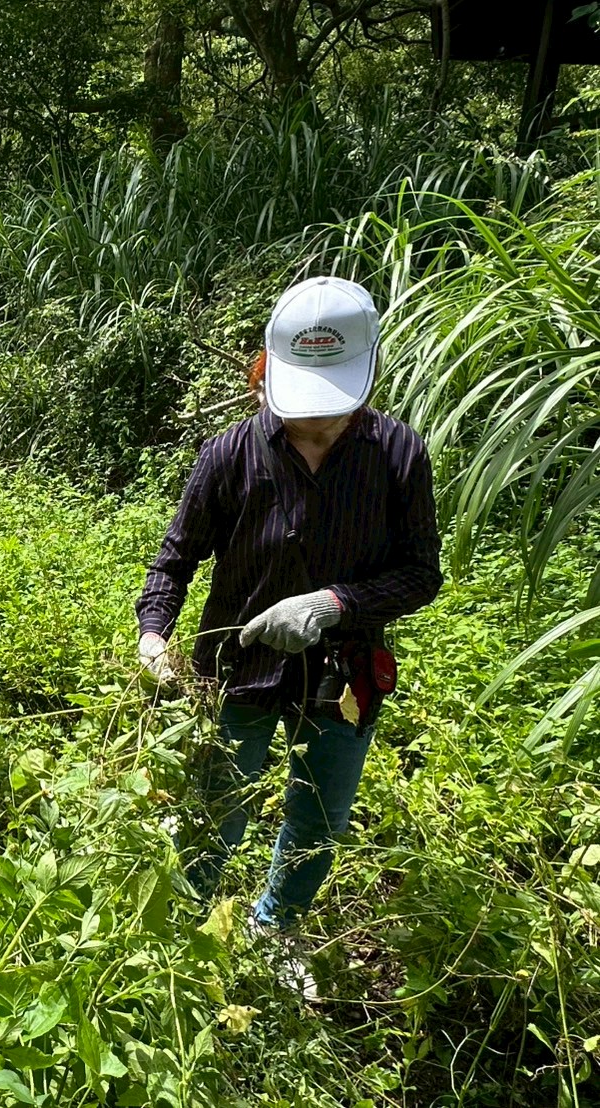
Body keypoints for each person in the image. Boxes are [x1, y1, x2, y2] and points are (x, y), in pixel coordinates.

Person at [134, 276, 442, 998]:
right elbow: (174, 558)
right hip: (234, 668)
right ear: (267, 373)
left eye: (328, 415)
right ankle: (187, 937)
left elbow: (421, 574)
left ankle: (277, 928)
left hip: (344, 673)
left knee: (319, 814)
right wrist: (153, 634)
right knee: (215, 804)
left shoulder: (398, 454)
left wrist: (335, 602)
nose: (314, 426)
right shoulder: (229, 454)